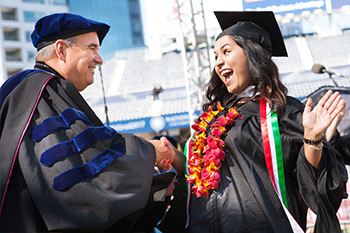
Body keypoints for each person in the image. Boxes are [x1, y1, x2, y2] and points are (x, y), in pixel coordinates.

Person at [158, 11, 348, 233]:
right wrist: (175, 158)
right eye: (216, 56)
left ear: (252, 54)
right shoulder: (211, 117)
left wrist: (312, 139)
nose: (219, 62)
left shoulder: (281, 111)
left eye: (226, 52)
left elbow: (314, 182)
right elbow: (197, 181)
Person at [0, 13, 177, 232]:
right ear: (61, 50)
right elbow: (78, 180)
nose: (99, 59)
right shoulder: (45, 93)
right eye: (92, 48)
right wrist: (151, 152)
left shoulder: (21, 88)